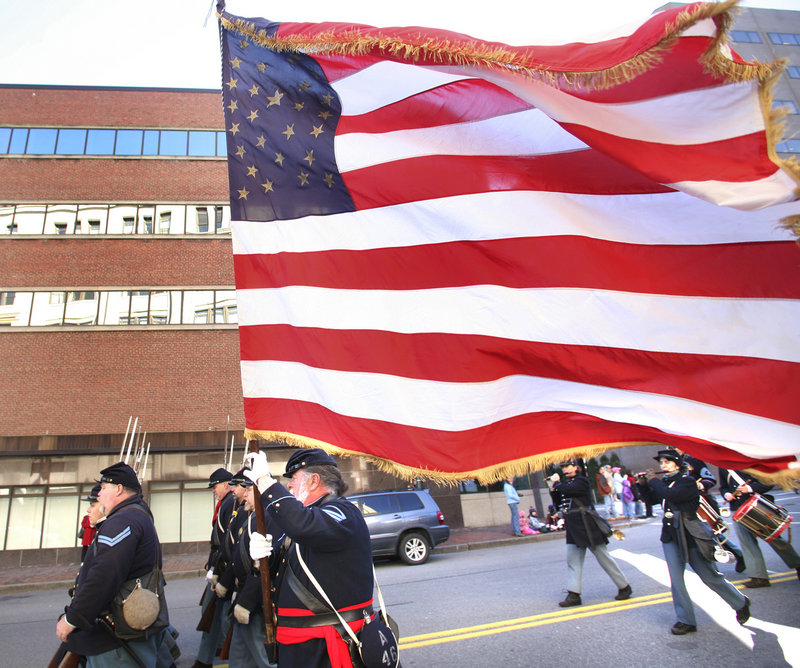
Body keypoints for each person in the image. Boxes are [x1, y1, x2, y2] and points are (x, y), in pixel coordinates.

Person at [245, 448, 375, 668]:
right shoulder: (311, 517)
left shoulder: (342, 512)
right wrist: (260, 558)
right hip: (303, 646)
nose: (289, 485)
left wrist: (264, 481)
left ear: (314, 481)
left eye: (293, 479)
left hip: (325, 648)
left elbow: (303, 525)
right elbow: (283, 567)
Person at [55, 462, 169, 666]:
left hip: (115, 635)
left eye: (103, 488)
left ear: (118, 489)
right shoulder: (134, 514)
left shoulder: (123, 520)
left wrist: (73, 618)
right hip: (124, 628)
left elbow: (104, 576)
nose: (98, 495)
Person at [647, 451, 750, 635]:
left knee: (709, 576)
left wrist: (654, 481)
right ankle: (686, 620)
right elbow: (651, 499)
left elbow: (671, 495)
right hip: (671, 534)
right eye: (662, 462)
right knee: (676, 580)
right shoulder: (664, 482)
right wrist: (643, 485)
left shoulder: (687, 482)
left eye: (667, 462)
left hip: (691, 533)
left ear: (677, 465)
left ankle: (740, 602)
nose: (663, 466)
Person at [551, 458, 632, 607]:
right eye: (563, 467)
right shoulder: (567, 484)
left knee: (603, 558)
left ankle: (624, 586)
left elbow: (570, 490)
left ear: (575, 468)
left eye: (567, 466)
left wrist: (557, 484)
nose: (564, 470)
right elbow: (560, 503)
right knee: (573, 560)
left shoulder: (581, 481)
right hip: (574, 526)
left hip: (586, 525)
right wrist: (553, 489)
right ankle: (574, 594)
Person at [225, 472, 280, 668]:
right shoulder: (253, 516)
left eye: (249, 489)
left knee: (264, 660)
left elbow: (263, 567)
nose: (244, 494)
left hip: (257, 602)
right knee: (240, 659)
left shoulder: (268, 518)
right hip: (244, 595)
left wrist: (246, 602)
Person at [719, 468, 800, 587]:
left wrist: (750, 489)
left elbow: (768, 482)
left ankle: (797, 564)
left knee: (773, 538)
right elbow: (723, 487)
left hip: (755, 506)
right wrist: (727, 495)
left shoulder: (747, 461)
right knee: (747, 543)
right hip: (737, 509)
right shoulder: (722, 466)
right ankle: (758, 577)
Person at [194, 467, 235, 668]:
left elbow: (227, 542)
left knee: (213, 615)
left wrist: (217, 569)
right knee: (215, 614)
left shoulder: (228, 505)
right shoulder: (225, 504)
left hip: (223, 566)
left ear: (226, 485)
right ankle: (215, 651)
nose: (213, 490)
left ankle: (205, 659)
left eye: (215, 486)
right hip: (219, 564)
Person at [681, 455, 745, 574]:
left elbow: (710, 479)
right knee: (704, 534)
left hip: (702, 504)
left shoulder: (693, 460)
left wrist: (700, 485)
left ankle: (733, 557)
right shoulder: (672, 466)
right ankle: (736, 555)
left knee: (710, 533)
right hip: (684, 506)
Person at [79, 485, 102, 560]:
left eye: (92, 505)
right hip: (87, 536)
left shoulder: (109, 533)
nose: (88, 510)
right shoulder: (102, 531)